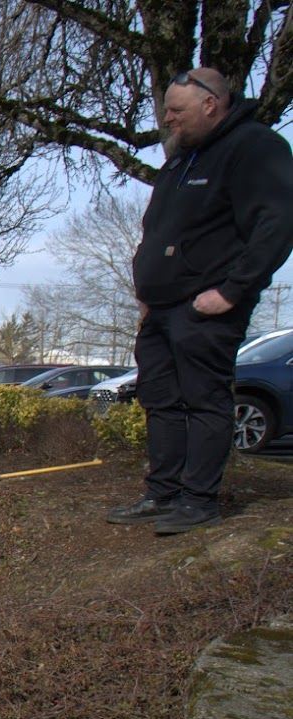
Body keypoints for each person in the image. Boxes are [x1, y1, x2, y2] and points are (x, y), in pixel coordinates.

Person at [109, 66, 293, 535]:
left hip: (204, 306)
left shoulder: (254, 147)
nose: (167, 119)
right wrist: (146, 292)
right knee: (161, 400)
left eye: (176, 110)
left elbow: (276, 224)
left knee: (204, 399)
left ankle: (198, 501)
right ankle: (163, 493)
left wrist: (232, 291)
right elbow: (157, 231)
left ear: (210, 103)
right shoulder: (181, 159)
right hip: (160, 309)